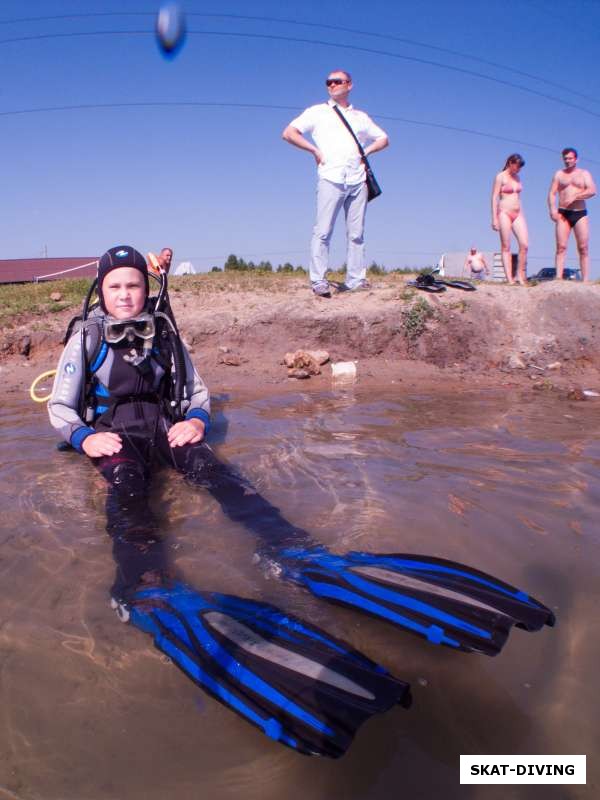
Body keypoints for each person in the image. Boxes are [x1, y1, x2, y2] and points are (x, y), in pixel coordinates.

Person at [282, 70, 389, 297]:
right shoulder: (318, 112)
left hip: (358, 180)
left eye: (337, 81)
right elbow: (289, 133)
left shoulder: (360, 117)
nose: (332, 85)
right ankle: (318, 280)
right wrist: (314, 150)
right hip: (331, 177)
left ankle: (356, 279)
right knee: (323, 231)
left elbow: (383, 138)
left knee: (356, 233)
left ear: (349, 85)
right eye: (328, 82)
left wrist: (366, 152)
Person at [547, 148, 596, 282]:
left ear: (576, 159)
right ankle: (558, 278)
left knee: (583, 247)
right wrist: (552, 210)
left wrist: (575, 196)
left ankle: (585, 280)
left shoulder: (584, 174)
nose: (568, 161)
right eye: (566, 158)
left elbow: (592, 190)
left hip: (580, 213)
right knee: (561, 247)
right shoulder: (559, 174)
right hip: (563, 213)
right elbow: (552, 193)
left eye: (570, 158)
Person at [491, 154, 528, 285]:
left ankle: (520, 275)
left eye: (520, 168)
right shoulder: (500, 176)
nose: (518, 170)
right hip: (504, 212)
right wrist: (494, 218)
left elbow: (518, 198)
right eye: (517, 167)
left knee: (524, 244)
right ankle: (509, 279)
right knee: (506, 246)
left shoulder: (518, 178)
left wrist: (522, 214)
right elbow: (494, 197)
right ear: (510, 163)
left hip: (518, 213)